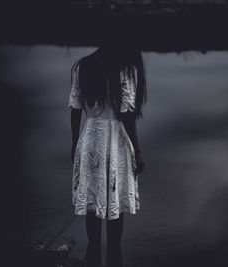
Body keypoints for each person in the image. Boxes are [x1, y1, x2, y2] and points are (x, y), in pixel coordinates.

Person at [68, 43, 147, 267]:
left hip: (90, 136)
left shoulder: (81, 67)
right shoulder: (126, 69)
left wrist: (75, 143)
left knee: (93, 202)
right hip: (115, 138)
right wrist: (138, 150)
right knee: (115, 200)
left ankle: (93, 251)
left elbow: (74, 107)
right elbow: (126, 114)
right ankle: (113, 254)